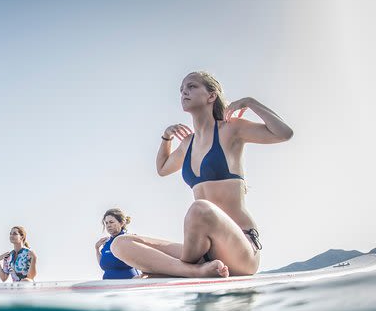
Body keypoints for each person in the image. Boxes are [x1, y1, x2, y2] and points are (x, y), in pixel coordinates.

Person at [111, 71, 293, 278]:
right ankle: (193, 270)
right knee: (121, 244)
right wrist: (166, 137)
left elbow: (284, 133)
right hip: (200, 251)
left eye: (191, 87)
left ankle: (174, 269)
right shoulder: (187, 143)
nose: (184, 92)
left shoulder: (231, 129)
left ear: (211, 96)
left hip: (240, 248)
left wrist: (250, 102)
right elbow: (162, 169)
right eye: (181, 90)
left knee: (201, 208)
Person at [95, 208, 141, 279]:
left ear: (121, 223)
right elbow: (104, 266)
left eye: (111, 222)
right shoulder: (106, 243)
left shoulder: (129, 239)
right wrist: (97, 249)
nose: (108, 225)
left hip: (128, 286)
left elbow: (142, 262)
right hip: (108, 287)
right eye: (106, 223)